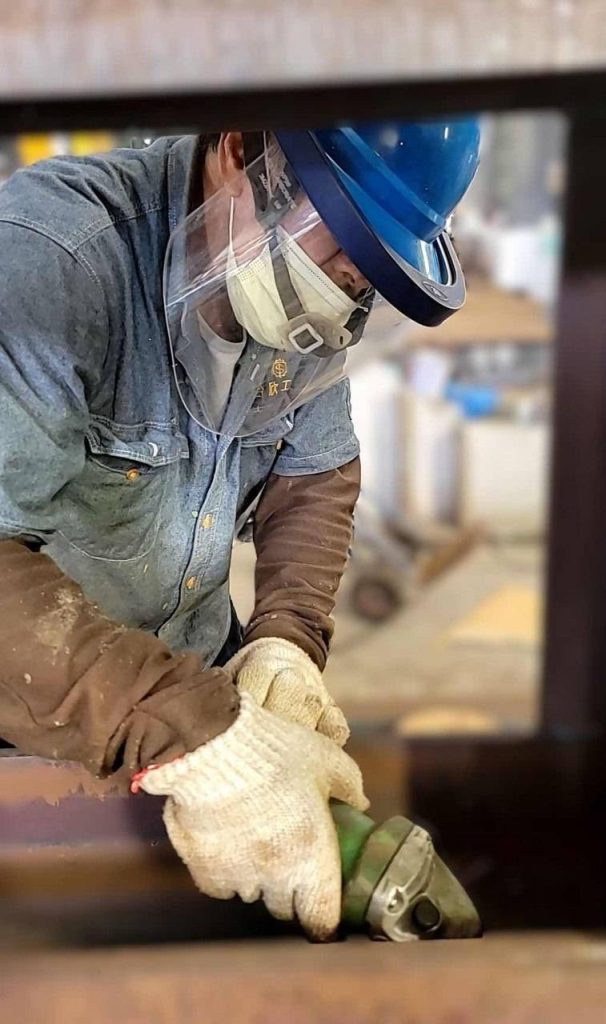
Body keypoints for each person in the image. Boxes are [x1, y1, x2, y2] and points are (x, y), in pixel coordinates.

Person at [0, 121, 480, 939]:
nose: (343, 287)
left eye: (366, 272)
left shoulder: (289, 279)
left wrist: (287, 639)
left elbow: (314, 478)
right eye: (342, 243)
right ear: (238, 150)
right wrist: (196, 732)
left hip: (197, 699)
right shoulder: (56, 260)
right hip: (33, 730)